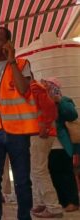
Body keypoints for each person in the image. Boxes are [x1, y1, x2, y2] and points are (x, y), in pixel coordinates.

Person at [0, 27, 39, 220]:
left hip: (17, 131)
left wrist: (11, 60)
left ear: (8, 43)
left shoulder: (21, 64)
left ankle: (24, 217)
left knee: (22, 181)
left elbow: (23, 89)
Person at [29, 79, 63, 218]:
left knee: (39, 170)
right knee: (36, 170)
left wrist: (45, 125)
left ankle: (53, 207)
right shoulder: (35, 87)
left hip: (41, 133)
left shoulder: (33, 87)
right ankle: (43, 202)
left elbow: (50, 108)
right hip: (39, 133)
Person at [45, 77, 80, 212]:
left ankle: (72, 201)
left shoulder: (65, 100)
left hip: (61, 144)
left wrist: (59, 101)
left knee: (65, 173)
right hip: (47, 145)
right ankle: (61, 201)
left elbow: (72, 115)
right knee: (53, 174)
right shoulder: (43, 101)